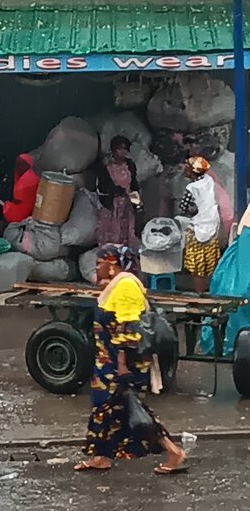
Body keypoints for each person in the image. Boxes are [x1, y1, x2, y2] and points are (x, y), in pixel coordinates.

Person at [75, 245, 186, 475]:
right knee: (108, 412)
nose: (96, 267)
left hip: (119, 365)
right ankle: (100, 457)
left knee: (131, 411)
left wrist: (122, 364)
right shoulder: (116, 286)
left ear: (113, 264)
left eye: (100, 263)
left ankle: (173, 451)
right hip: (107, 363)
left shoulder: (126, 285)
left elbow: (128, 329)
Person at [178, 156, 222, 294]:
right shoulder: (209, 181)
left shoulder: (191, 188)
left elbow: (183, 207)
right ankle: (214, 292)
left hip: (198, 229)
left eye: (187, 167)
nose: (184, 169)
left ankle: (200, 295)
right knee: (210, 263)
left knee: (197, 267)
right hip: (211, 226)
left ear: (192, 171)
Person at [95, 135, 141, 251]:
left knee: (127, 233)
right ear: (113, 150)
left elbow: (134, 184)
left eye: (125, 149)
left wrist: (137, 203)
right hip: (112, 208)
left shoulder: (130, 165)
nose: (123, 152)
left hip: (127, 205)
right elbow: (103, 187)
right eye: (120, 149)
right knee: (113, 235)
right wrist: (118, 191)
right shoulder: (106, 167)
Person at [2, 152, 39, 224]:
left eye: (22, 164)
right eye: (17, 164)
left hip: (22, 213)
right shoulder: (31, 176)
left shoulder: (25, 182)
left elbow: (19, 200)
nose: (19, 167)